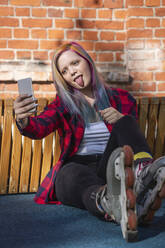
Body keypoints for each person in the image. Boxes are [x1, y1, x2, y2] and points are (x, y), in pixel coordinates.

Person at [14, 42, 165, 242]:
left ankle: (144, 175)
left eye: (75, 63)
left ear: (87, 61)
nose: (71, 72)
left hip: (112, 167)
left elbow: (129, 135)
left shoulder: (121, 98)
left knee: (126, 121)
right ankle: (108, 203)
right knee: (67, 174)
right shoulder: (62, 105)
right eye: (65, 71)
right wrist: (23, 120)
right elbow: (39, 127)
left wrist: (120, 119)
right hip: (79, 170)